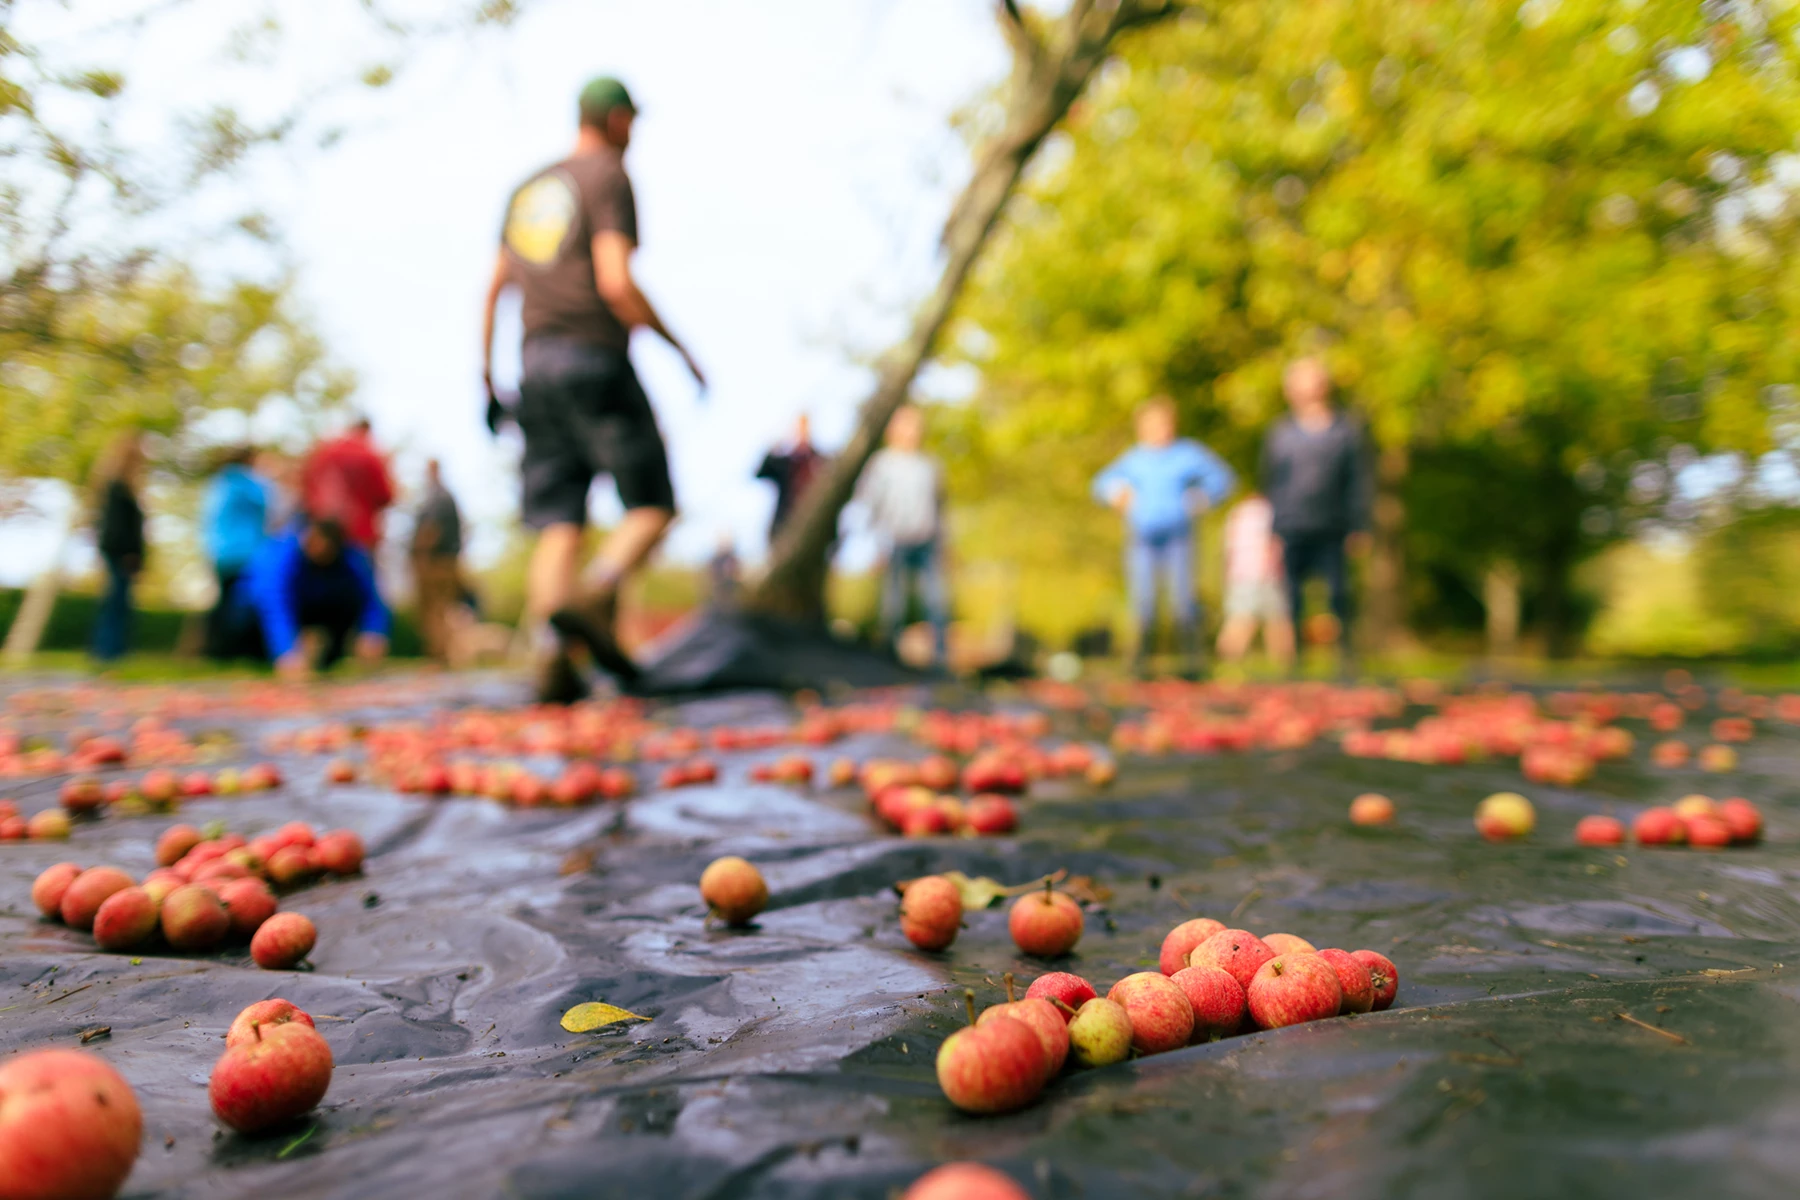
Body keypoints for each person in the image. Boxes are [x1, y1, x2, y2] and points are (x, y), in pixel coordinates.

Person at [480, 75, 705, 702]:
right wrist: (681, 351)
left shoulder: (530, 189)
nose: (633, 133)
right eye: (630, 120)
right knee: (653, 507)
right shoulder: (607, 175)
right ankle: (596, 593)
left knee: (558, 520)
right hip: (593, 357)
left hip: (533, 365)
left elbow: (496, 288)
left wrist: (486, 376)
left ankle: (554, 660)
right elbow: (614, 281)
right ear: (611, 120)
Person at [1092, 396, 1235, 676]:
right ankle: (1141, 664)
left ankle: (1193, 662)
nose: (1159, 429)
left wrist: (1202, 498)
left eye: (1164, 423)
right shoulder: (1135, 459)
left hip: (1178, 536)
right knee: (1143, 600)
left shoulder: (1187, 454)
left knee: (1183, 599)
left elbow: (1222, 478)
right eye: (1152, 424)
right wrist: (1116, 495)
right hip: (1142, 538)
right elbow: (1100, 483)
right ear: (1141, 427)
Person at [1260, 357, 1371, 662]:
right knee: (1292, 596)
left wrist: (1359, 524)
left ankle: (1345, 655)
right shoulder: (1280, 433)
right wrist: (1272, 530)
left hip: (1333, 525)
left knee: (1338, 593)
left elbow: (1357, 480)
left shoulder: (1346, 430)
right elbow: (1272, 482)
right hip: (1292, 525)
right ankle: (1296, 658)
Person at [235, 515, 389, 679]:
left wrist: (373, 631)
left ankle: (327, 654)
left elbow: (372, 599)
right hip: (251, 612)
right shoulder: (281, 556)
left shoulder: (352, 559)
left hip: (315, 608)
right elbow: (274, 604)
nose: (320, 552)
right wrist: (285, 651)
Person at [857, 403, 949, 665]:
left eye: (917, 425)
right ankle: (890, 660)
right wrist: (877, 545)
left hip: (927, 541)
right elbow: (871, 505)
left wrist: (945, 544)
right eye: (907, 425)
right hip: (894, 540)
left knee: (936, 603)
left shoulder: (930, 465)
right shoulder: (881, 464)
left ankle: (939, 662)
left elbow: (939, 506)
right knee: (892, 606)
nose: (913, 431)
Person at [200, 446, 270, 659]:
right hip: (246, 553)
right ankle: (240, 650)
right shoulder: (248, 484)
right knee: (245, 602)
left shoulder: (218, 484)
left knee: (224, 601)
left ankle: (216, 650)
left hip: (220, 552)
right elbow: (266, 505)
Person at [1215, 492, 1295, 671]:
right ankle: (1284, 667)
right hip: (1269, 574)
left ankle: (1227, 665)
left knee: (1240, 620)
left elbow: (1228, 549)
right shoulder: (1273, 512)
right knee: (1277, 621)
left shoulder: (1237, 514)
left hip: (1240, 575)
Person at [90, 431, 147, 663]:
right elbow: (118, 528)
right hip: (121, 554)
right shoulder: (118, 488)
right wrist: (129, 553)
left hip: (119, 552)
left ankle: (113, 651)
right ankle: (108, 652)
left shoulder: (122, 488)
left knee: (118, 602)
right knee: (116, 602)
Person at [300, 418, 394, 551]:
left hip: (322, 532)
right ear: (368, 431)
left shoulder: (326, 451)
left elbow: (307, 485)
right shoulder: (372, 455)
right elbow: (385, 496)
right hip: (359, 534)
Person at [410, 459, 464, 662]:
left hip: (436, 561)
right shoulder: (446, 495)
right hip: (446, 559)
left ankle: (439, 656)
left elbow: (431, 529)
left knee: (435, 610)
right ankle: (445, 655)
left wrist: (421, 556)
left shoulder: (436, 496)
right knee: (443, 609)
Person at [756, 413, 827, 543]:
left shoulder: (817, 461)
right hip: (784, 527)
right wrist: (776, 446)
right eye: (798, 429)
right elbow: (760, 473)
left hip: (811, 528)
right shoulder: (786, 462)